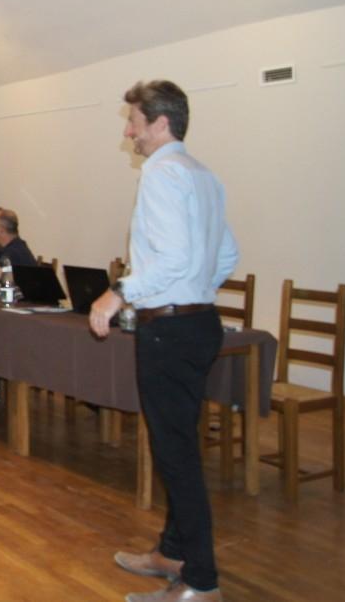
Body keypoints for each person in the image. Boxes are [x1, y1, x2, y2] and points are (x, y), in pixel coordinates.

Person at [89, 80, 238, 602]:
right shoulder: (203, 175)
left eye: (132, 122)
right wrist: (193, 293)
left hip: (170, 330)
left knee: (176, 456)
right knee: (177, 447)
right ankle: (172, 552)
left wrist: (117, 295)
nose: (128, 133)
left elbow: (172, 260)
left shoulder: (160, 173)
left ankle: (201, 582)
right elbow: (225, 256)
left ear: (159, 123)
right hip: (199, 324)